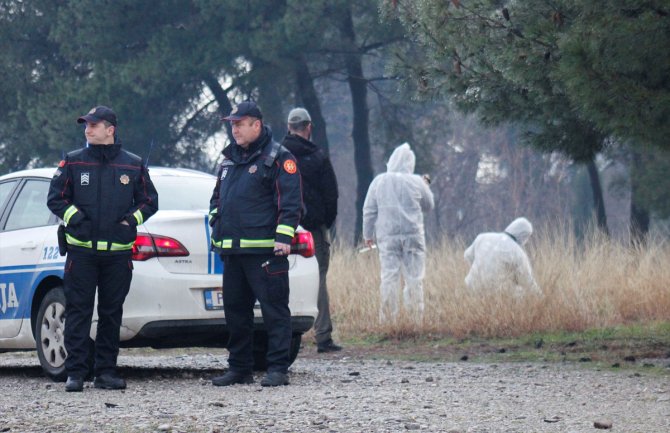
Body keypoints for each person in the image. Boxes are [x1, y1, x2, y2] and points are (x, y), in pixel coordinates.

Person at [47, 106, 158, 392]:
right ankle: (75, 373)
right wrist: (76, 219)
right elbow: (55, 199)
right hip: (81, 254)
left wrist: (131, 221)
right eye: (86, 125)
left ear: (110, 129)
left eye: (94, 125)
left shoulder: (133, 164)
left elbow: (150, 201)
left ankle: (106, 372)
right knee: (78, 313)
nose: (88, 129)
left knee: (111, 314)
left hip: (118, 255)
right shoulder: (72, 162)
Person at [209, 101, 303, 387]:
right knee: (236, 313)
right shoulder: (228, 160)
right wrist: (216, 221)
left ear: (256, 125)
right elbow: (217, 200)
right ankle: (239, 368)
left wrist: (283, 238)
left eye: (240, 123)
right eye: (232, 124)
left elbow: (291, 203)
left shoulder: (278, 158)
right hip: (233, 251)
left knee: (274, 311)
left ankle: (277, 369)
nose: (234, 129)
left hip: (265, 251)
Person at [281, 107, 341, 353]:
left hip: (282, 228)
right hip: (313, 229)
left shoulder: (277, 156)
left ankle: (281, 336)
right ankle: (323, 336)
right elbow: (331, 195)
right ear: (309, 127)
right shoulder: (318, 157)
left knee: (279, 278)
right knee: (319, 278)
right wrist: (324, 222)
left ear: (288, 128)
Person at [362, 142, 434, 323]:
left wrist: (368, 235)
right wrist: (425, 185)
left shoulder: (379, 181)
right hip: (413, 238)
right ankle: (416, 320)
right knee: (415, 278)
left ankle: (387, 321)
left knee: (389, 277)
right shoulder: (416, 181)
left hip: (388, 238)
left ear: (392, 160)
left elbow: (369, 210)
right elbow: (429, 205)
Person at [464, 217, 540, 295]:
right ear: (523, 235)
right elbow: (527, 280)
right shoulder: (518, 252)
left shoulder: (483, 237)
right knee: (520, 293)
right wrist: (540, 295)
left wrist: (480, 267)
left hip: (470, 286)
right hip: (494, 294)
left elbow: (467, 255)